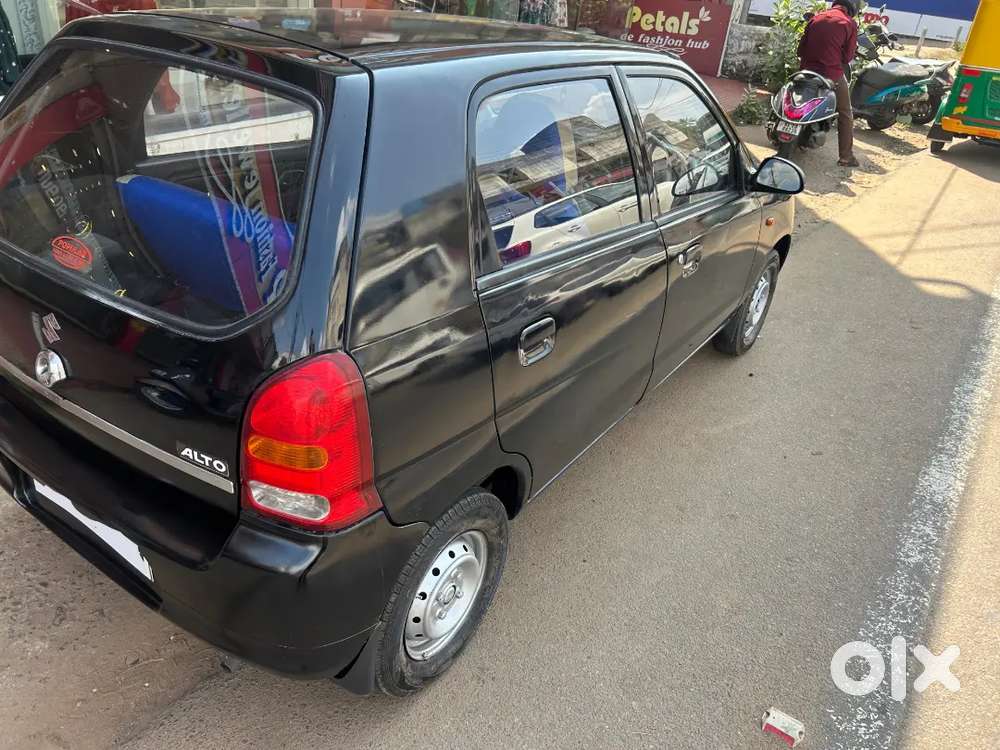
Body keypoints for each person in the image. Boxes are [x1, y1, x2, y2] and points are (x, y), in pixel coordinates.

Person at [798, 0, 860, 167]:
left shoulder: (816, 18)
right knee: (846, 113)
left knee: (792, 95)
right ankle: (846, 157)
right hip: (831, 74)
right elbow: (847, 58)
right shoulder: (849, 23)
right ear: (851, 8)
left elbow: (800, 49)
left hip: (806, 72)